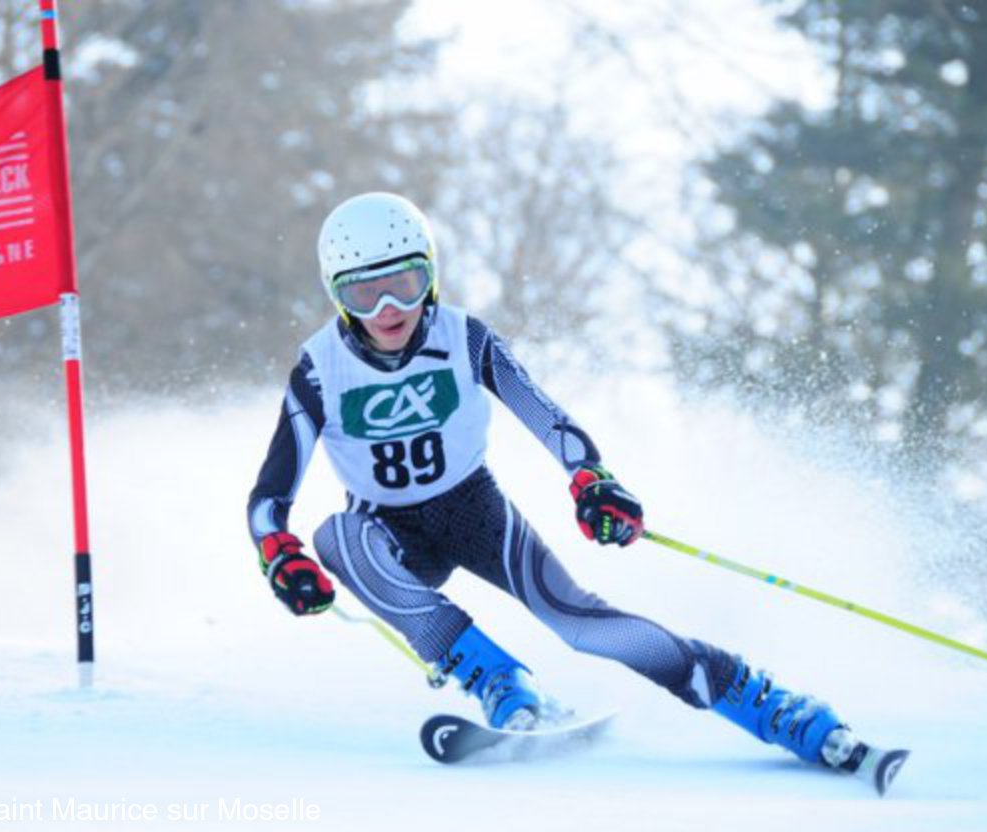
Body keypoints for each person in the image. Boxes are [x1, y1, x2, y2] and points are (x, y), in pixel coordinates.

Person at [247, 191, 865, 770]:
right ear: (337, 296)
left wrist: (591, 479)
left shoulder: (464, 338)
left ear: (429, 276)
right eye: (364, 294)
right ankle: (496, 678)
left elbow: (548, 418)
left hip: (474, 512)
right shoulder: (321, 369)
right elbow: (269, 499)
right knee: (335, 536)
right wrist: (279, 552)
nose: (388, 311)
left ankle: (768, 705)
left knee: (582, 624)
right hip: (388, 535)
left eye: (404, 285)